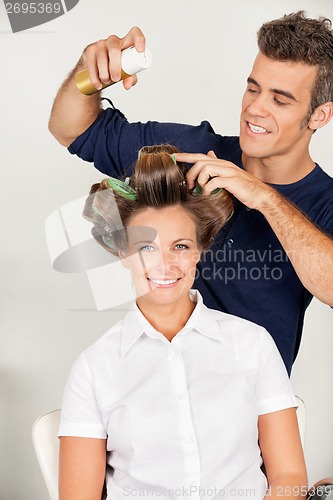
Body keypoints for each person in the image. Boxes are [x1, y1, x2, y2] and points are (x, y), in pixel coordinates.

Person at [48, 11, 333, 375]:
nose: (255, 108)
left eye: (280, 100)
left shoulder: (323, 201)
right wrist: (91, 75)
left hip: (252, 407)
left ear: (320, 115)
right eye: (253, 87)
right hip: (153, 388)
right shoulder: (192, 150)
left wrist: (264, 197)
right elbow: (70, 128)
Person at [58, 145, 307, 500]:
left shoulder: (253, 345)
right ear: (123, 253)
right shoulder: (94, 369)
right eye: (146, 247)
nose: (164, 265)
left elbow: (289, 475)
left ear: (200, 251)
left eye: (179, 246)